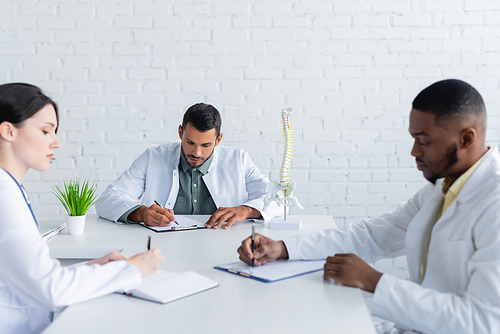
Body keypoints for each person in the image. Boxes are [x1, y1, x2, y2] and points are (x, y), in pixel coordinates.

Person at [238, 79, 500, 333]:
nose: (414, 151)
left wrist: (375, 282)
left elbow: (484, 323)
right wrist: (282, 248)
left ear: (467, 139)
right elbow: (373, 235)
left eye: (424, 140)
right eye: (413, 138)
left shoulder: (494, 204)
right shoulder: (441, 188)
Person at [0, 83, 164, 334]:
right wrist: (130, 270)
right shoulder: (4, 197)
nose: (56, 143)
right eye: (46, 131)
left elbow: (26, 277)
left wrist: (91, 268)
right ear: (8, 131)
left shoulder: (10, 188)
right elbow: (50, 290)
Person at [96, 103, 279, 230]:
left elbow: (279, 200)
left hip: (225, 245)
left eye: (206, 145)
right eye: (190, 142)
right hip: (165, 247)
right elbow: (106, 200)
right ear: (180, 132)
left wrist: (245, 210)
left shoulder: (239, 159)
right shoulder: (153, 157)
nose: (197, 153)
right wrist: (141, 213)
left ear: (218, 140)